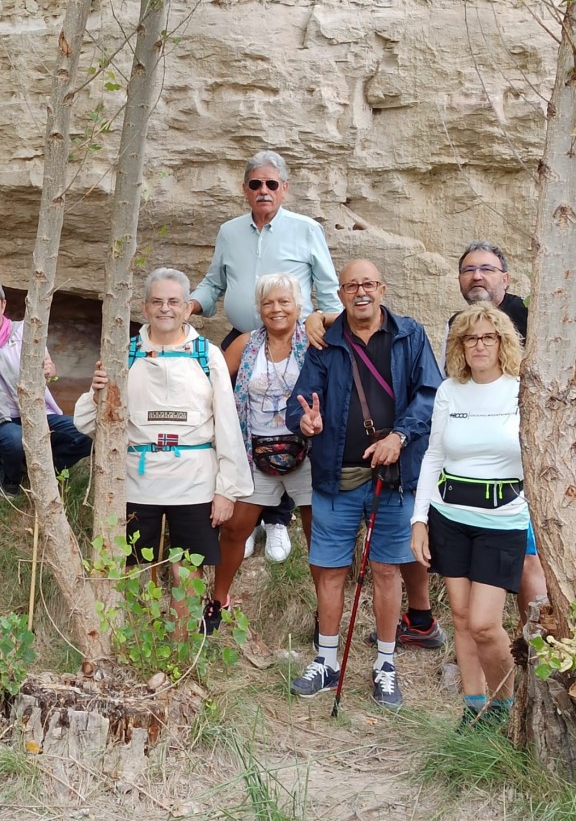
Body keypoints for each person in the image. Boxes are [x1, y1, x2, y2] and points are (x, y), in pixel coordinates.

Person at [285, 259, 442, 710]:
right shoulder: (324, 343)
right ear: (341, 293)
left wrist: (399, 436)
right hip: (336, 478)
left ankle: (386, 665)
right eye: (352, 285)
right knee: (331, 570)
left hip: (393, 481)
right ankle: (326, 660)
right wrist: (306, 424)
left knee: (387, 571)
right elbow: (299, 405)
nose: (361, 292)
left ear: (383, 288)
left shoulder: (409, 336)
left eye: (369, 284)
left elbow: (429, 396)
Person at [73, 267, 251, 634]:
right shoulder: (126, 353)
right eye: (157, 301)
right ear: (144, 306)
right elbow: (86, 424)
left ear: (187, 308)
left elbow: (228, 425)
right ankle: (138, 642)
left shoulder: (208, 355)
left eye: (173, 302)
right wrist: (96, 392)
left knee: (186, 567)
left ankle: (181, 649)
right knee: (135, 565)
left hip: (195, 477)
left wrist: (226, 489)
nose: (165, 309)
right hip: (139, 477)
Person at [187, 150, 343, 561]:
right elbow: (212, 282)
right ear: (244, 189)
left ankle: (277, 519)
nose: (263, 190)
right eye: (255, 184)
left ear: (285, 189)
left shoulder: (306, 229)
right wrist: (188, 306)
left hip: (298, 340)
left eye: (271, 184)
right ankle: (247, 513)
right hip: (244, 337)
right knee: (233, 416)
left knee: (290, 420)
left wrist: (324, 323)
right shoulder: (229, 232)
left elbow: (328, 291)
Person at [411, 303, 528, 727]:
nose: (479, 345)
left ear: (503, 342)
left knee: (484, 623)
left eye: (488, 337)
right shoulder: (450, 390)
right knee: (460, 618)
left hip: (502, 519)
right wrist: (419, 520)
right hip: (450, 517)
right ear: (460, 346)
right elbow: (434, 456)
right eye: (470, 338)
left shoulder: (521, 389)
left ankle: (504, 710)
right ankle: (472, 707)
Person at [451, 241, 545, 623]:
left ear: (505, 277)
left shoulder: (529, 315)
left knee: (529, 561)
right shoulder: (460, 323)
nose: (477, 276)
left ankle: (538, 656)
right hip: (480, 468)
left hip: (525, 460)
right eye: (469, 269)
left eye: (487, 269)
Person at [212, 274, 314, 621]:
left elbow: (340, 321)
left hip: (308, 450)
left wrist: (321, 318)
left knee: (319, 535)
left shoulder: (315, 341)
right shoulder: (245, 344)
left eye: (284, 301)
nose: (276, 309)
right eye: (268, 302)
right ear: (259, 308)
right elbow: (211, 385)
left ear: (299, 306)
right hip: (255, 450)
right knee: (235, 528)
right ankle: (218, 599)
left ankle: (322, 613)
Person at [0, 275, 91, 499]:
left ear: (3, 305)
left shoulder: (25, 333)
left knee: (85, 430)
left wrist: (50, 370)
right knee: (15, 437)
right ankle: (8, 483)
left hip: (37, 414)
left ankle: (47, 472)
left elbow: (49, 371)